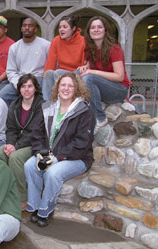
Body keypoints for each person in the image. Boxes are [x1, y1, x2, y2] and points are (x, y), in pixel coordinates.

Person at [24, 72, 95, 227]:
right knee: (29, 165)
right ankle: (35, 207)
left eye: (70, 85)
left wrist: (57, 158)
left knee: (52, 173)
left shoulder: (84, 112)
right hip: (49, 154)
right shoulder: (48, 108)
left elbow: (81, 143)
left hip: (77, 158)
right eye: (63, 85)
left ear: (76, 88)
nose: (66, 88)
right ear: (57, 87)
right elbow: (36, 134)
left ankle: (46, 210)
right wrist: (40, 154)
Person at [0, 74, 44, 210]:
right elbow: (10, 129)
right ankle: (2, 192)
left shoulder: (41, 105)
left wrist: (15, 147)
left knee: (15, 158)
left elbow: (36, 131)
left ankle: (21, 197)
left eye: (30, 86)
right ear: (19, 89)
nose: (26, 90)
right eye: (23, 86)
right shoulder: (15, 105)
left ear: (35, 88)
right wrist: (9, 144)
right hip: (16, 143)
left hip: (35, 144)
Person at [79, 16, 130, 129]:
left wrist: (92, 72)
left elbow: (119, 76)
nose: (96, 30)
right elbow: (88, 68)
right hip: (102, 88)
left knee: (89, 78)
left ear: (105, 30)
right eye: (93, 27)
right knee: (75, 74)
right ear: (88, 32)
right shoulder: (89, 49)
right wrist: (84, 68)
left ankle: (99, 118)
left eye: (99, 27)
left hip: (119, 90)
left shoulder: (114, 49)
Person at [2, 17, 50, 105]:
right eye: (24, 26)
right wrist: (19, 84)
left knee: (43, 102)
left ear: (35, 29)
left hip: (38, 80)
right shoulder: (14, 47)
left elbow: (51, 67)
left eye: (30, 26)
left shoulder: (46, 45)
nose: (27, 28)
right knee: (0, 99)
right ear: (21, 29)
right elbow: (10, 71)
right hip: (20, 80)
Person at [42, 15, 85, 101]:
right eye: (60, 27)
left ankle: (62, 101)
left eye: (65, 27)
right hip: (59, 73)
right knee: (48, 73)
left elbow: (83, 65)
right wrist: (45, 76)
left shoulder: (83, 41)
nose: (61, 29)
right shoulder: (56, 40)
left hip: (76, 73)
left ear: (73, 28)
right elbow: (51, 62)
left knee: (58, 73)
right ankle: (47, 105)